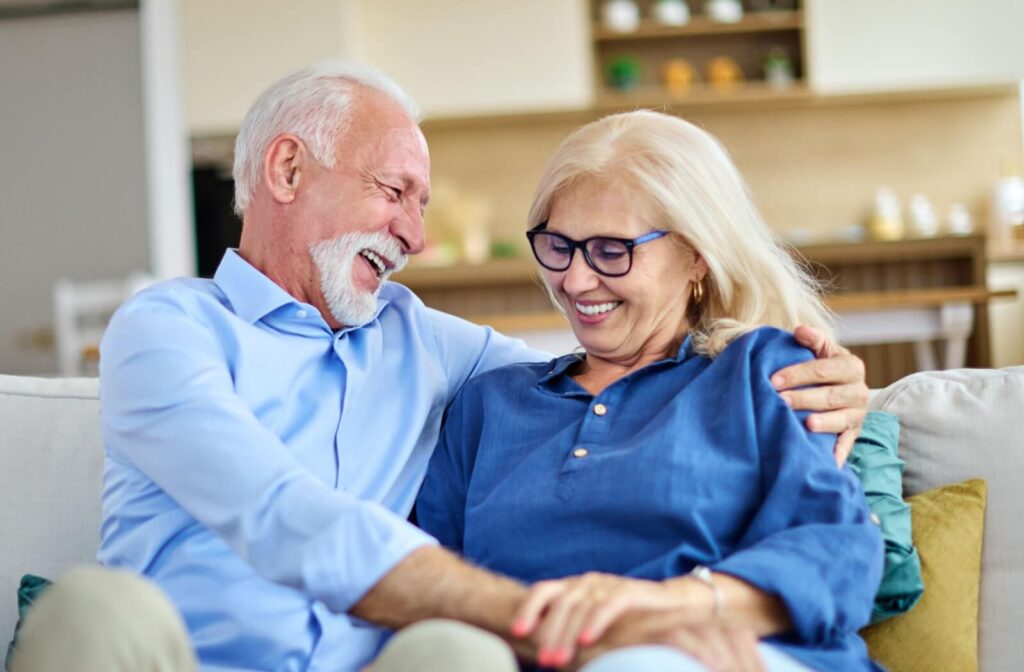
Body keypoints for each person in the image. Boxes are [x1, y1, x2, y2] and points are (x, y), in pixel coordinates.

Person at [12, 62, 868, 672]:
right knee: (91, 610)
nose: (416, 238)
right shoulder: (169, 330)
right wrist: (566, 622)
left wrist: (845, 385)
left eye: (609, 249)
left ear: (696, 257)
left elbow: (605, 374)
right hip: (193, 658)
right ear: (287, 167)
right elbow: (282, 514)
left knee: (458, 654)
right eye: (396, 192)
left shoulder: (443, 352)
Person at [415, 110, 884, 671]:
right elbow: (428, 582)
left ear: (696, 255)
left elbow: (837, 551)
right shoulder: (489, 404)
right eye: (559, 246)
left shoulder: (762, 370)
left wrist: (676, 608)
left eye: (612, 251)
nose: (575, 280)